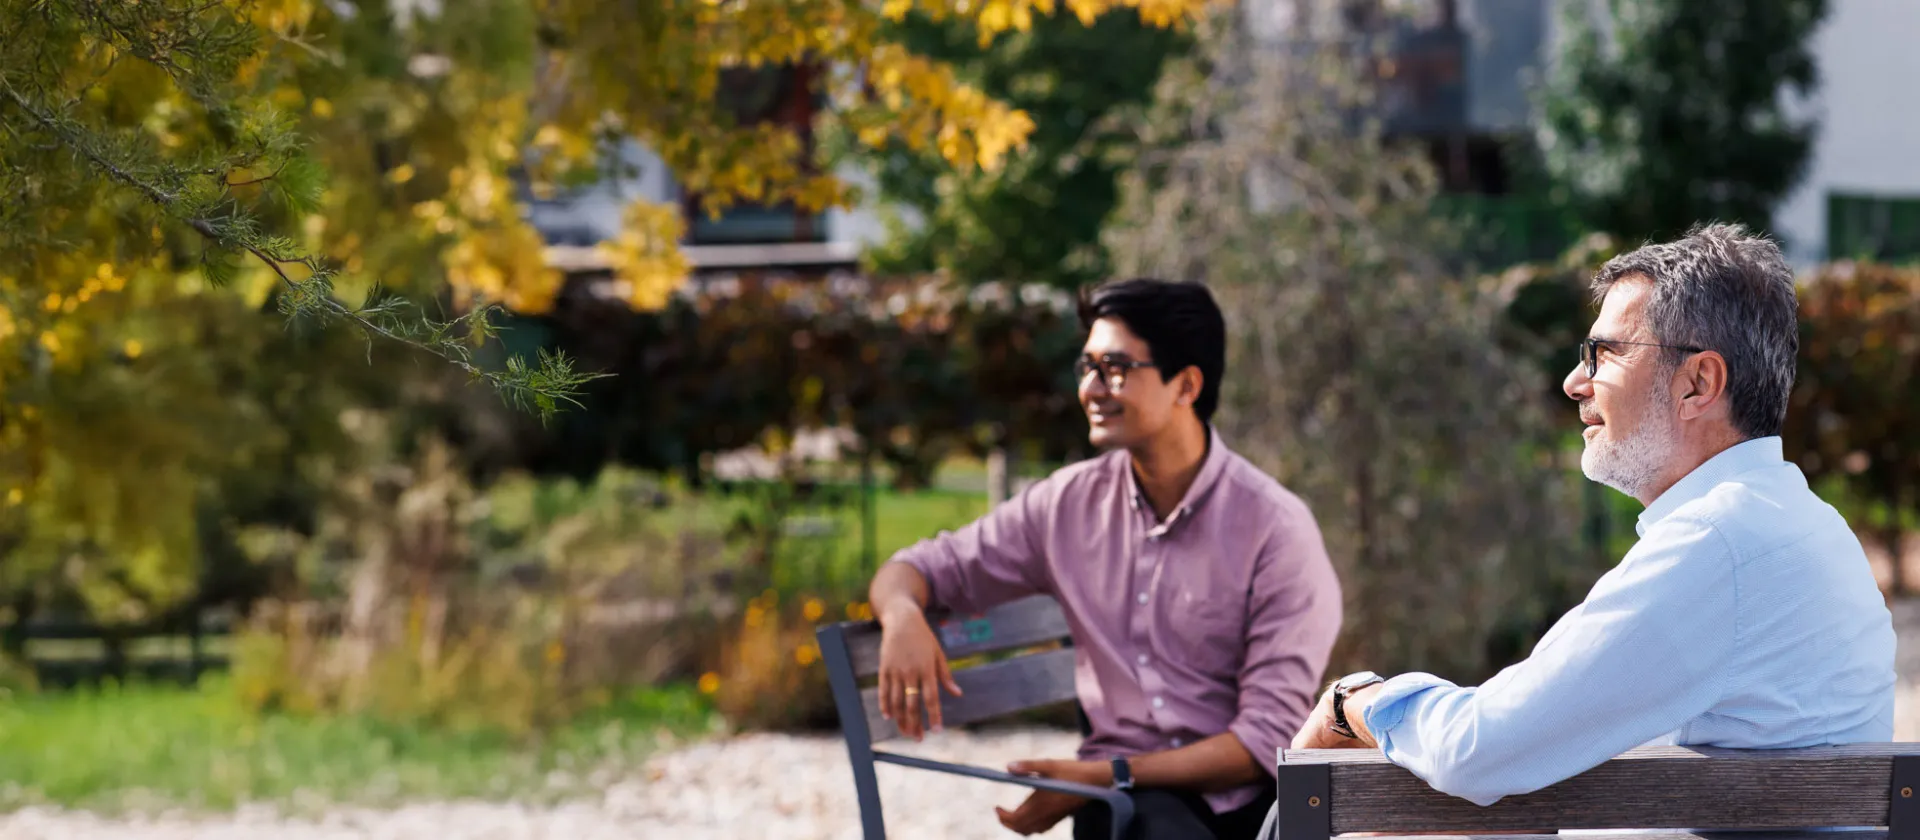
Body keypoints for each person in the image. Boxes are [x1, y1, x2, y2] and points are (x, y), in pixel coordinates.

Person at [1292, 223, 1897, 807]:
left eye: (1602, 353)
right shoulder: (1796, 524)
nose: (1574, 381)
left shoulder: (1716, 544)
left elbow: (1477, 748)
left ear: (1698, 384)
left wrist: (1354, 704)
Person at [867, 278, 1344, 839]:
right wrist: (901, 614)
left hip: (1248, 804)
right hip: (1124, 813)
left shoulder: (1275, 529)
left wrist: (1104, 773)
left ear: (1186, 385)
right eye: (1087, 367)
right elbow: (918, 567)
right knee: (1141, 821)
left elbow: (1264, 742)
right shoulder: (1063, 506)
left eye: (1116, 368)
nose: (1093, 388)